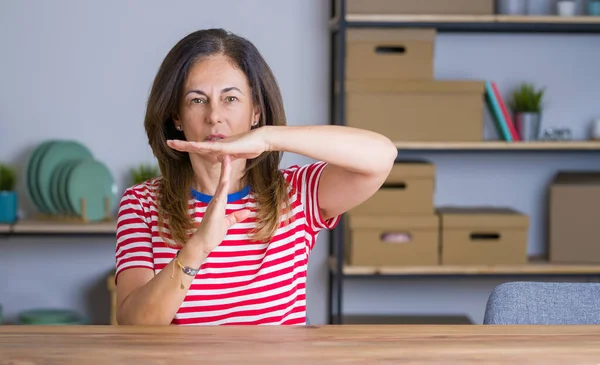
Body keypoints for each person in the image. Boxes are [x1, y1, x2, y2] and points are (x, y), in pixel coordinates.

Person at [115, 28, 397, 325]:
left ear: (256, 113)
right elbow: (134, 324)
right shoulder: (141, 204)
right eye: (197, 100)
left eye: (231, 99)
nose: (214, 116)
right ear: (177, 118)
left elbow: (381, 156)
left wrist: (268, 138)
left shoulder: (295, 194)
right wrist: (197, 248)